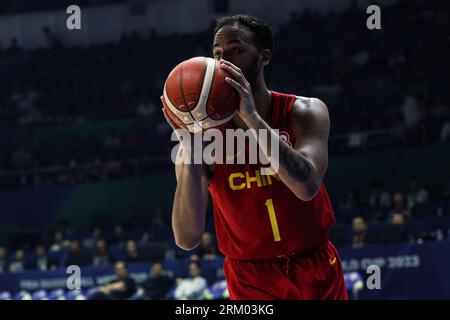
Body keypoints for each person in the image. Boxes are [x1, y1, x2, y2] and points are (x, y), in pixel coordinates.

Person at [163, 15, 347, 300]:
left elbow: (307, 186)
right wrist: (188, 146)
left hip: (315, 267)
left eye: (235, 49)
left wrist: (252, 118)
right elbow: (186, 239)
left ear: (264, 56)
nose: (224, 61)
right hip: (250, 278)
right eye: (217, 54)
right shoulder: (204, 140)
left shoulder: (305, 112)